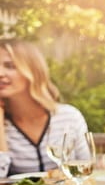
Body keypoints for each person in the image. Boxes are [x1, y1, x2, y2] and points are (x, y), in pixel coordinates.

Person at [0, 39, 90, 177]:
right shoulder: (3, 125)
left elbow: (86, 172)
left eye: (10, 66)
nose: (0, 73)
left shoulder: (69, 117)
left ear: (33, 70)